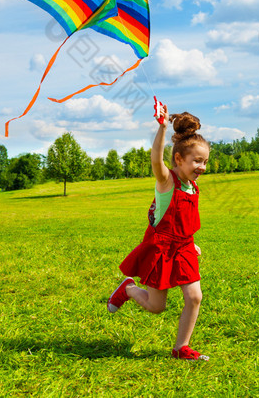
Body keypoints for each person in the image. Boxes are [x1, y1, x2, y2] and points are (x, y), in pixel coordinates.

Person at [107, 103, 210, 361]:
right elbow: (156, 160)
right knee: (156, 306)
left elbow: (184, 222)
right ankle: (129, 289)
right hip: (161, 249)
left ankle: (180, 348)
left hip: (184, 247)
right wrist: (162, 128)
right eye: (197, 161)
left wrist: (191, 242)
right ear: (178, 159)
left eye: (205, 162)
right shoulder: (167, 181)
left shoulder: (193, 188)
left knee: (194, 296)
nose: (202, 167)